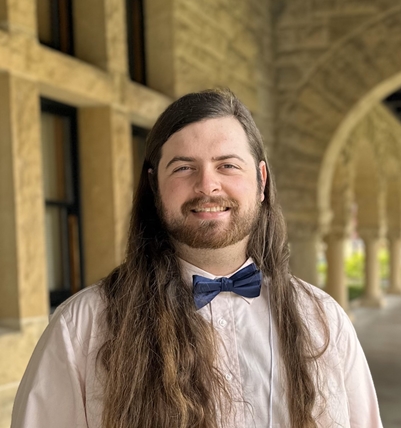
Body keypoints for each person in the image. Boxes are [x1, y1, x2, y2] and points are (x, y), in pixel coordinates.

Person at [11, 88, 382, 428]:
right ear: (155, 186)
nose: (207, 185)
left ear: (261, 180)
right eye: (183, 167)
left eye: (227, 165)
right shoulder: (81, 328)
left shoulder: (324, 321)